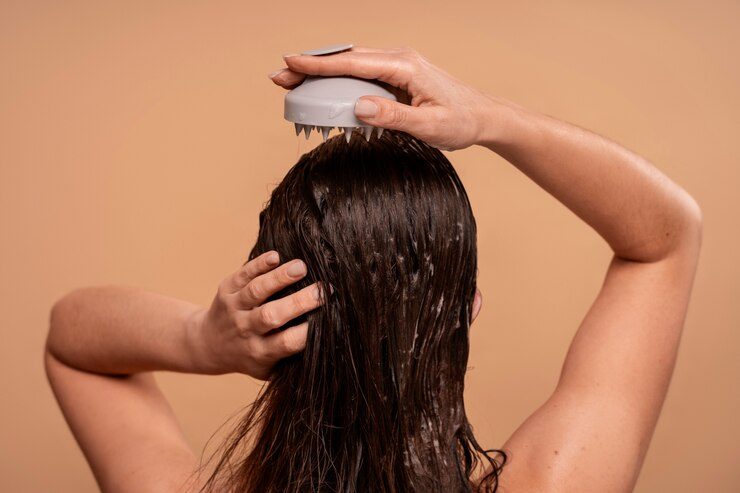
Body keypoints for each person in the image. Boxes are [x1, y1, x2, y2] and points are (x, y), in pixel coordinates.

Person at [45, 47, 702, 492]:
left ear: (273, 313)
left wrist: (201, 338)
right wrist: (488, 119)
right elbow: (665, 237)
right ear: (468, 305)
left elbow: (72, 342)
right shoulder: (555, 479)